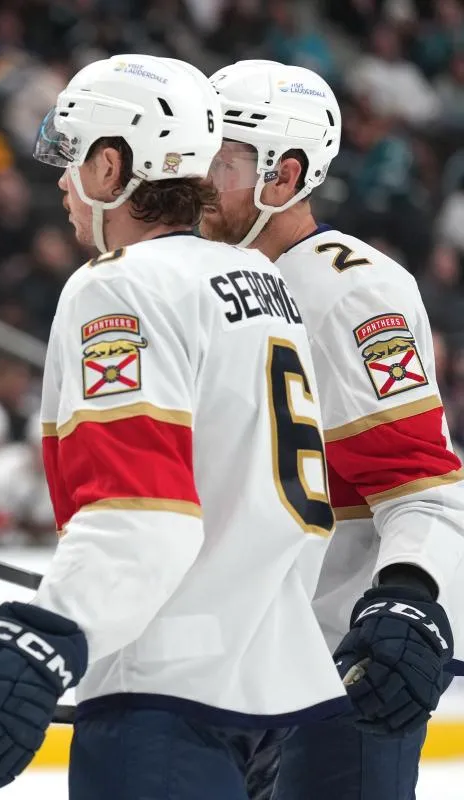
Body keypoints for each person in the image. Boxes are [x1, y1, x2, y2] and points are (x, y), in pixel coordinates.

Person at [0, 54, 352, 799]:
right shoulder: (261, 282)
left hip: (163, 690)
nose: (62, 179)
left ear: (113, 165)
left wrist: (44, 637)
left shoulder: (121, 284)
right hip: (259, 688)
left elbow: (141, 511)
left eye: (73, 156)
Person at [202, 59, 464, 800]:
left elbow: (422, 488)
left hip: (342, 669)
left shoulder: (349, 287)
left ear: (282, 176)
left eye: (219, 160)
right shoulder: (198, 283)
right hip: (249, 672)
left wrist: (407, 598)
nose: (192, 179)